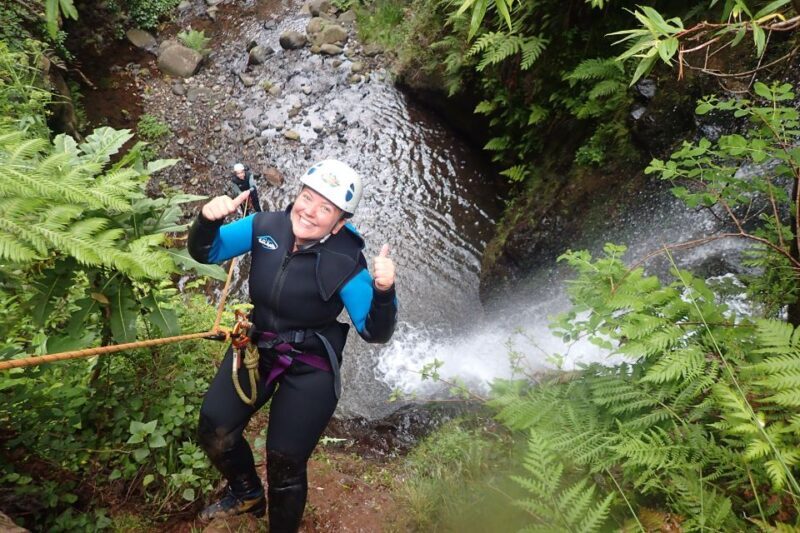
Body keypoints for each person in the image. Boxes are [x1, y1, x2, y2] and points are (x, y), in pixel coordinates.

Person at [187, 159, 397, 531]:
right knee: (214, 427)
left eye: (325, 208)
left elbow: (374, 331)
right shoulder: (265, 227)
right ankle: (247, 493)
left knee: (285, 461)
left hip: (310, 365)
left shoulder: (347, 262)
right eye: (307, 197)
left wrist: (384, 292)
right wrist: (207, 220)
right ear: (296, 195)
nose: (309, 211)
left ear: (340, 222)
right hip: (257, 348)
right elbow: (207, 252)